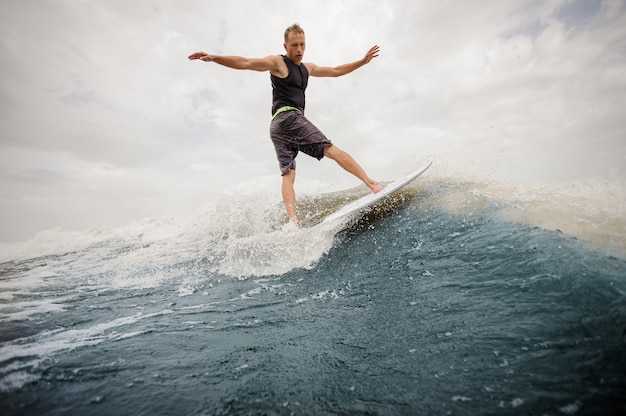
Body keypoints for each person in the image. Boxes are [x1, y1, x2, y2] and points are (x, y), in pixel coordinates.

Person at [189, 23, 384, 226]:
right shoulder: (278, 63)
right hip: (289, 118)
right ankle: (372, 184)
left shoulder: (308, 68)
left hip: (276, 127)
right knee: (329, 148)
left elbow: (335, 70)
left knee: (288, 174)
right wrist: (214, 57)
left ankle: (294, 223)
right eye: (294, 45)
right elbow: (245, 62)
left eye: (302, 44)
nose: (299, 49)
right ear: (285, 46)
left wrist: (362, 61)